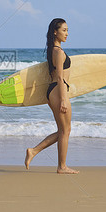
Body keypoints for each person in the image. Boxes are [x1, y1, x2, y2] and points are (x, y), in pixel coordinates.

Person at [25, 18, 79, 174]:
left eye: (68, 30)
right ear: (55, 32)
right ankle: (62, 166)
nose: (67, 34)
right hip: (59, 91)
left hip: (52, 90)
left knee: (63, 130)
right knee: (65, 130)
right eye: (64, 30)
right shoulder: (59, 52)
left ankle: (33, 151)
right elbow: (61, 77)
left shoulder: (52, 50)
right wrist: (63, 99)